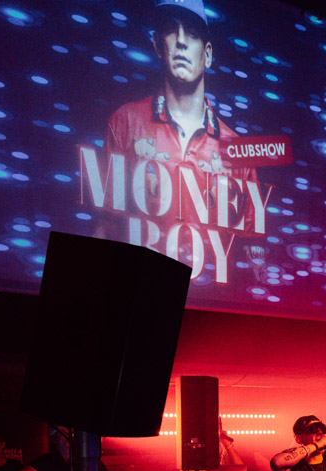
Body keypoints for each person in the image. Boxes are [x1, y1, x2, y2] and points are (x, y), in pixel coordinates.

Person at [104, 0, 263, 275]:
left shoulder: (237, 150)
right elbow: (107, 225)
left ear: (208, 54)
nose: (180, 42)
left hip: (210, 298)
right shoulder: (125, 123)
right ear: (157, 44)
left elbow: (252, 255)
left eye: (192, 33)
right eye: (170, 30)